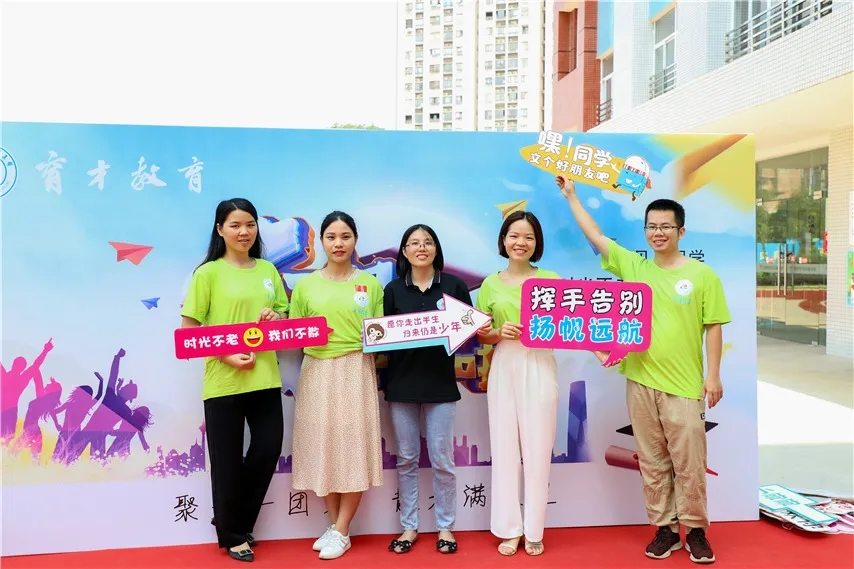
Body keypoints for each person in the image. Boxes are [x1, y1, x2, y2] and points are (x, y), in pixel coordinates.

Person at [557, 175, 730, 565]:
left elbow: (714, 326)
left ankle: (696, 531)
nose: (658, 232)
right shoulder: (635, 267)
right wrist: (571, 196)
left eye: (666, 226)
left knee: (689, 462)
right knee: (652, 461)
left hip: (684, 385)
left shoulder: (702, 276)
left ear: (681, 231)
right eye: (652, 226)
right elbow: (596, 237)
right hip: (639, 382)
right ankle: (665, 528)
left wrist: (713, 375)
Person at [181, 198, 288, 563]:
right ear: (220, 229)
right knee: (226, 461)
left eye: (250, 225)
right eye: (235, 225)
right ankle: (233, 535)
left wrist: (275, 317)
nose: (244, 232)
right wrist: (225, 353)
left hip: (265, 378)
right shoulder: (207, 274)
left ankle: (233, 521)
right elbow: (189, 332)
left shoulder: (268, 270)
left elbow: (284, 317)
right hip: (223, 381)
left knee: (267, 449)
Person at [382, 224, 485, 556]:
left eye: (427, 242)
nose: (421, 247)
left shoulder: (453, 286)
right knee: (407, 459)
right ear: (405, 252)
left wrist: (472, 324)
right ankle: (409, 527)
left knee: (442, 459)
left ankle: (445, 527)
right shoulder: (393, 290)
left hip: (441, 385)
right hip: (401, 385)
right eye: (414, 243)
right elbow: (383, 338)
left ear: (436, 249)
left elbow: (470, 333)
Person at [289, 211, 384, 560]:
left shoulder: (370, 285)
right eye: (331, 237)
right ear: (322, 242)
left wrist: (371, 340)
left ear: (355, 240)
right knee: (323, 448)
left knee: (353, 447)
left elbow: (381, 333)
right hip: (316, 370)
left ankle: (342, 530)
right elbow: (294, 333)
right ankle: (335, 527)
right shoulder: (306, 285)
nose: (338, 243)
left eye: (345, 236)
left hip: (355, 368)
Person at [474, 210, 560, 557]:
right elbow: (482, 335)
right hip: (505, 364)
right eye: (514, 235)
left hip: (540, 362)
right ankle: (509, 529)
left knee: (538, 449)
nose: (520, 242)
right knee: (505, 448)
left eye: (528, 237)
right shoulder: (490, 284)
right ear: (503, 240)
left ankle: (534, 530)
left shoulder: (551, 280)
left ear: (537, 243)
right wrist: (498, 332)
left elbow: (568, 326)